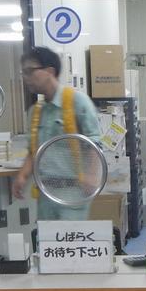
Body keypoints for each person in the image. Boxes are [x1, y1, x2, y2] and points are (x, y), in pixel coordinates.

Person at [12, 46, 102, 220]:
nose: (26, 78)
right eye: (23, 73)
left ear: (50, 71)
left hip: (74, 192)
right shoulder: (35, 112)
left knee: (70, 237)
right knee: (47, 237)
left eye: (30, 71)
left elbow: (95, 142)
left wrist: (91, 175)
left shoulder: (78, 102)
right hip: (45, 192)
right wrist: (22, 176)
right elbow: (33, 151)